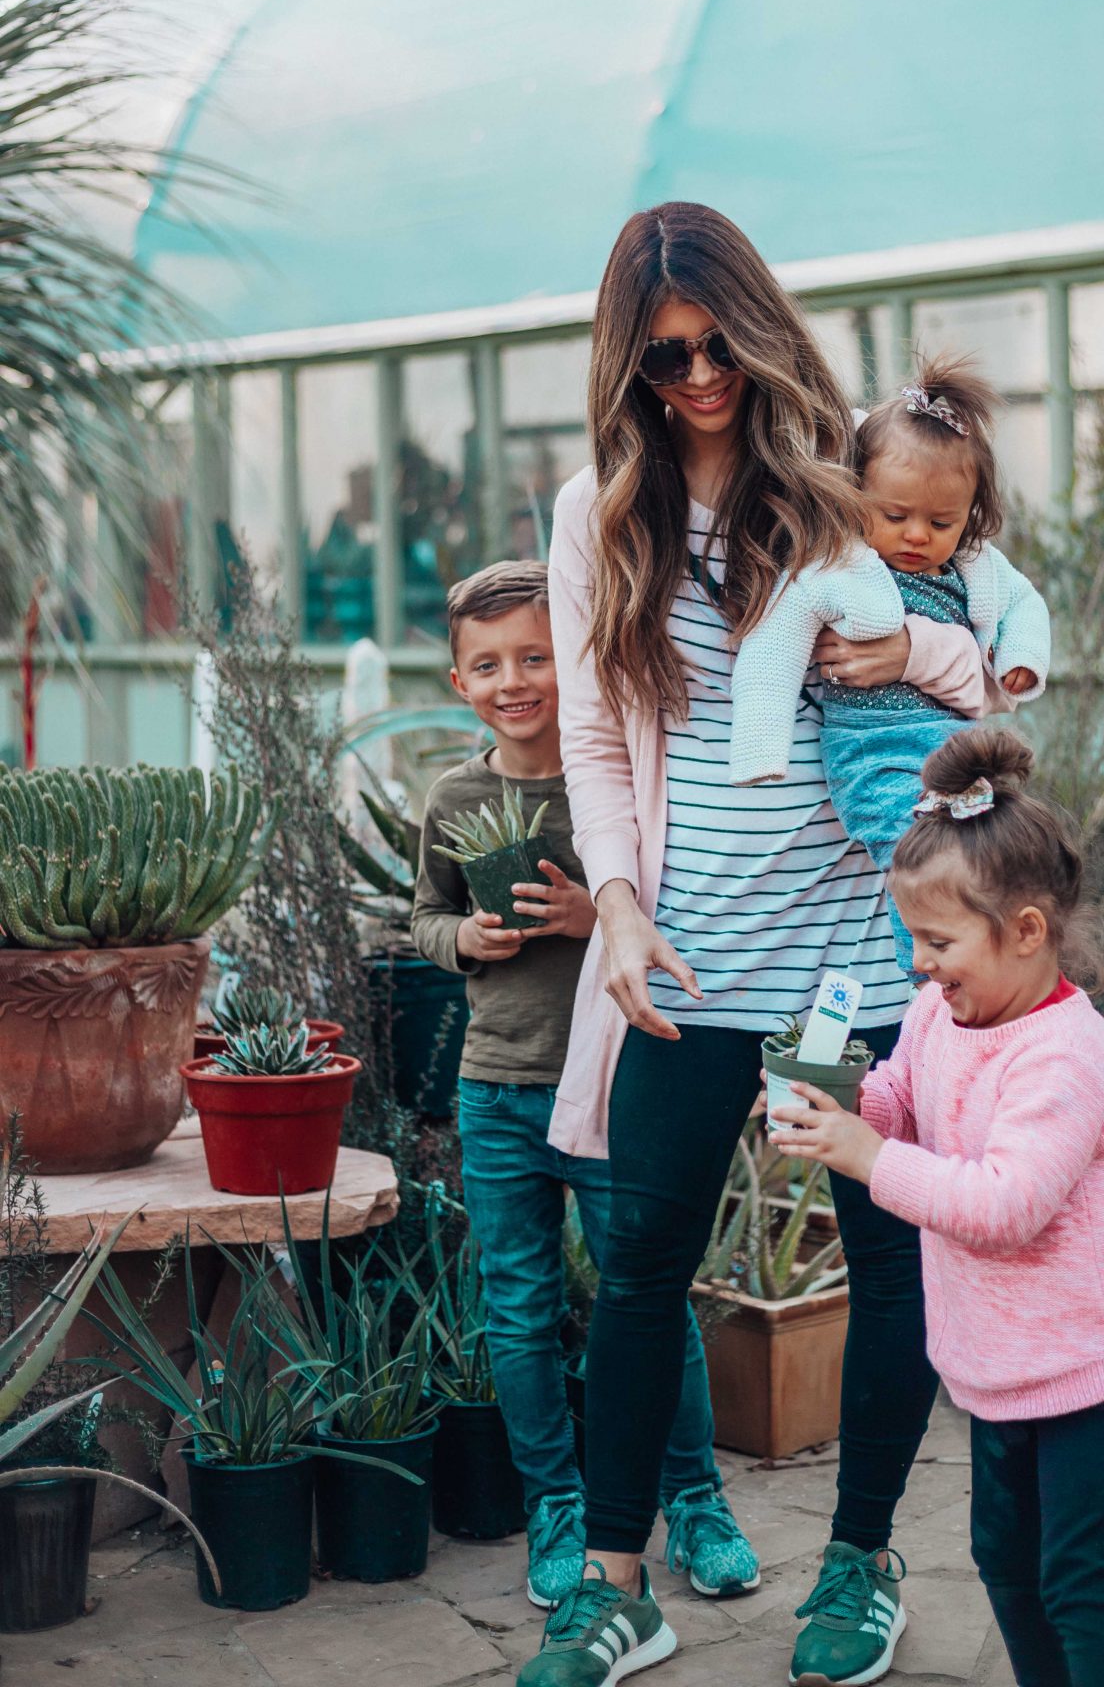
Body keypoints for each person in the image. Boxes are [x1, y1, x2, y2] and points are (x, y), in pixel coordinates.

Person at [520, 202, 1015, 1687]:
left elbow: (984, 661)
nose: (694, 378)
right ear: (627, 365)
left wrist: (915, 650)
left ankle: (861, 1562)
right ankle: (619, 1587)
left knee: (880, 1249)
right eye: (660, 358)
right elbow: (596, 747)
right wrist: (614, 903)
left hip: (843, 972)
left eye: (713, 343)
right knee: (644, 1263)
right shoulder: (591, 514)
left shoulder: (846, 485)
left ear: (754, 325)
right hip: (691, 974)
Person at [773, 728, 1104, 1687]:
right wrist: (840, 1098)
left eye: (939, 941)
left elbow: (1006, 1206)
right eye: (909, 937)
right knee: (1007, 1563)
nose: (917, 963)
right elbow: (901, 1102)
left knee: (1079, 1580)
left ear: (1028, 931)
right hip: (997, 1359)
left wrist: (870, 1158)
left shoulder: (1063, 1057)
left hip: (1093, 1364)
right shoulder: (939, 1014)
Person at [411, 559, 758, 1614]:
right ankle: (556, 1502)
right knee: (516, 1308)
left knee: (643, 1293)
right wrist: (461, 937)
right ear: (459, 680)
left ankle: (693, 1495)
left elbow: (663, 904)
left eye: (534, 654)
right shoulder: (454, 796)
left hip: (616, 1078)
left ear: (572, 657)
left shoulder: (615, 782)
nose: (514, 678)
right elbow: (422, 914)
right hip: (499, 1088)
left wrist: (591, 917)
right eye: (488, 663)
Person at [729, 356, 1050, 979]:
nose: (916, 536)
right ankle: (930, 982)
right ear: (856, 496)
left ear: (970, 514)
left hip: (956, 750)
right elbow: (773, 648)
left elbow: (1023, 602)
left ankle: (994, 979)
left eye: (941, 522)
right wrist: (761, 747)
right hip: (873, 753)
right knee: (922, 864)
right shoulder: (836, 567)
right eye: (895, 516)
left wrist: (1021, 659)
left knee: (989, 860)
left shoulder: (975, 566)